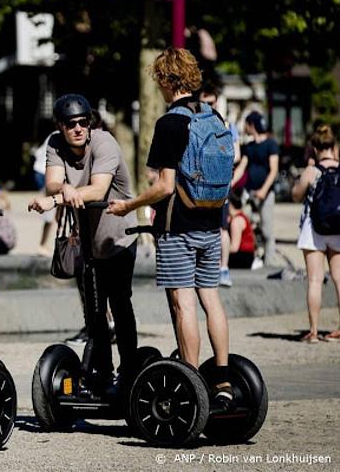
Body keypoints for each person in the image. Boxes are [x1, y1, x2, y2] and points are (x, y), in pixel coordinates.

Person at [108, 47, 234, 410]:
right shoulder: (214, 117)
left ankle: (191, 381)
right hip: (211, 223)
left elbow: (164, 186)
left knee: (183, 305)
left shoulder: (170, 123)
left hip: (178, 227)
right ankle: (222, 378)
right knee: (211, 299)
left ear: (166, 80)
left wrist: (128, 206)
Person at [29, 94, 139, 394]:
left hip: (118, 236)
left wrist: (54, 199)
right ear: (60, 126)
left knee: (119, 304)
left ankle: (129, 370)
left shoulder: (104, 143)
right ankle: (102, 372)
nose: (78, 129)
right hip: (87, 242)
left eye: (83, 122)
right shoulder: (55, 143)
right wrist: (63, 188)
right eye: (70, 124)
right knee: (93, 311)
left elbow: (98, 189)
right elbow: (53, 180)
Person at [291, 126, 340, 342]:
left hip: (314, 229)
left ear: (315, 148)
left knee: (314, 280)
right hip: (339, 228)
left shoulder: (313, 171)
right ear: (334, 146)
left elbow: (295, 195)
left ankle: (313, 331)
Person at [200, 81, 241, 287]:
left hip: (219, 183)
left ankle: (223, 268)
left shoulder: (225, 124)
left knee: (222, 227)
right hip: (202, 184)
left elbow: (236, 154)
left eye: (212, 102)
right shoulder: (197, 123)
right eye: (204, 102)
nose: (209, 106)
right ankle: (209, 268)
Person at [231, 110, 279, 268]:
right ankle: (249, 255)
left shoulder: (271, 144)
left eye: (246, 123)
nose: (244, 127)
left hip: (266, 193)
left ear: (252, 125)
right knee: (243, 220)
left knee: (267, 228)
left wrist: (264, 190)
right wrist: (230, 183)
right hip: (249, 192)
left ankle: (269, 261)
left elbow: (273, 170)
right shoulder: (249, 147)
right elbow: (242, 167)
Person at [32, 132, 56, 256]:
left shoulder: (54, 134)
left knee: (54, 208)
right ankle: (42, 245)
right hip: (45, 172)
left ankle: (44, 244)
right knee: (51, 209)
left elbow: (37, 153)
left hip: (40, 170)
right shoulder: (60, 135)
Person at [226, 193, 255, 271]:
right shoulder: (240, 216)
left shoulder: (237, 220)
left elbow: (234, 247)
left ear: (230, 205)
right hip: (246, 255)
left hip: (243, 257)